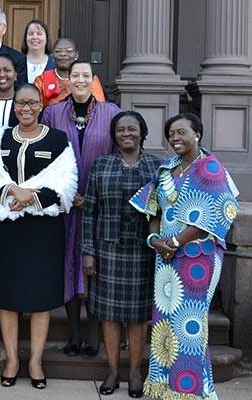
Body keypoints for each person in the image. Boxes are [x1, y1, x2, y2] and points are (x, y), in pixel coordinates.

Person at [130, 113, 240, 400]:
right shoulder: (167, 169)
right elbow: (152, 207)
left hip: (198, 257)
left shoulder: (211, 168)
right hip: (166, 257)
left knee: (190, 325)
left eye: (181, 132)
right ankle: (164, 387)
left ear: (198, 134)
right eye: (171, 134)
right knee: (165, 322)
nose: (175, 138)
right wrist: (155, 240)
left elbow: (216, 215)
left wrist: (176, 241)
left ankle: (190, 391)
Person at [0, 84, 78, 390]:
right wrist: (12, 191)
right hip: (7, 228)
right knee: (8, 298)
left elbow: (67, 182)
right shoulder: (0, 137)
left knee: (39, 299)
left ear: (41, 106)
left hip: (42, 231)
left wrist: (31, 198)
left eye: (32, 103)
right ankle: (11, 359)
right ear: (14, 106)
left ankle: (35, 360)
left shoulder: (58, 139)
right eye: (20, 103)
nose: (26, 108)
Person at [41, 59, 121, 359]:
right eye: (75, 75)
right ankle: (73, 335)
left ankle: (93, 336)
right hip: (63, 207)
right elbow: (45, 156)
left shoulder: (111, 113)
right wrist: (64, 193)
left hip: (98, 207)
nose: (80, 80)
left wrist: (94, 197)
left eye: (86, 75)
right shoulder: (52, 113)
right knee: (68, 267)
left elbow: (116, 158)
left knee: (94, 270)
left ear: (94, 79)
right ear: (67, 80)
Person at [81, 111, 161, 397]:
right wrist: (88, 252)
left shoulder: (157, 167)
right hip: (108, 251)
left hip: (143, 251)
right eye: (120, 130)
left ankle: (136, 371)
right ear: (113, 135)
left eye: (132, 129)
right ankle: (113, 370)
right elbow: (89, 211)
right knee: (109, 315)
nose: (126, 134)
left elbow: (163, 212)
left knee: (138, 316)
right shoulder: (101, 165)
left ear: (142, 132)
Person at [33, 38, 106, 107]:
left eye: (69, 51)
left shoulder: (89, 78)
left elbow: (99, 107)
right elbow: (35, 107)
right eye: (58, 51)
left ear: (76, 55)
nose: (63, 54)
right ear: (52, 56)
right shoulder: (42, 80)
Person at [20, 19, 54, 84]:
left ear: (47, 38)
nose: (34, 37)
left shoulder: (54, 63)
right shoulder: (17, 62)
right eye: (31, 34)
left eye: (39, 34)